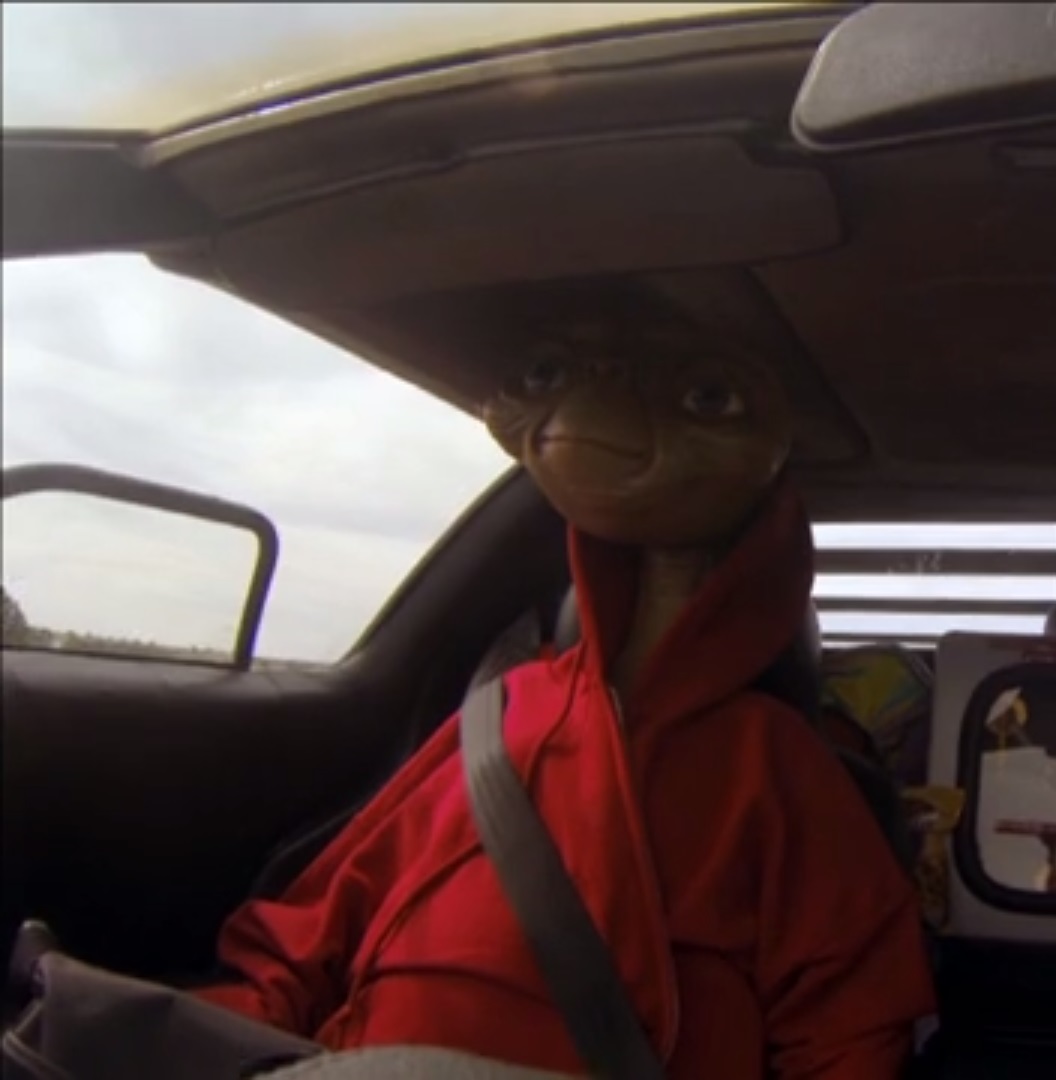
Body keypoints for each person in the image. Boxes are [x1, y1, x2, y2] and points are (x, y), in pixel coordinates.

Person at [196, 291, 937, 1078]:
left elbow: (851, 1029)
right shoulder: (501, 710)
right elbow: (312, 930)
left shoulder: (777, 762)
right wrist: (211, 1044)